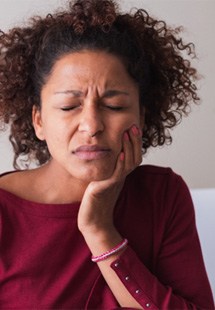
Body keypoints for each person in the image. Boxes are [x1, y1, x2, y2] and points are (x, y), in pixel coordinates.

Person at [0, 0, 214, 308]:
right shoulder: (6, 214)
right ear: (38, 120)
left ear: (142, 116)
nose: (91, 125)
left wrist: (100, 230)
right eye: (68, 106)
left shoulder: (162, 195)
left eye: (114, 106)